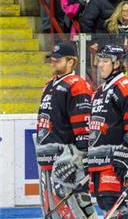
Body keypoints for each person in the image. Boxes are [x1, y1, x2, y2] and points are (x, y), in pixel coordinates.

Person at [35, 41, 95, 219]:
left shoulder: (77, 84)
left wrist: (82, 155)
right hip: (47, 159)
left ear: (71, 61)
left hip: (66, 159)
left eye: (57, 60)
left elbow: (83, 123)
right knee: (51, 210)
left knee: (74, 208)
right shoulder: (49, 85)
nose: (53, 63)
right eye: (52, 60)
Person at [87, 44, 128, 219]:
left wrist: (125, 154)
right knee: (106, 204)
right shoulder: (99, 91)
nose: (100, 65)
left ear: (117, 64)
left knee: (113, 203)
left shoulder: (127, 87)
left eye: (105, 61)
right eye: (99, 61)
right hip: (98, 159)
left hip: (114, 160)